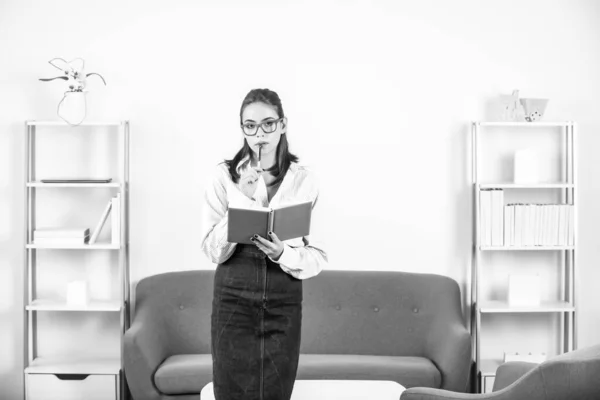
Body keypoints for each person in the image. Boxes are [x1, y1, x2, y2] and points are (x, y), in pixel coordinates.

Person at [200, 88, 328, 400]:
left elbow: (319, 256)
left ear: (283, 124)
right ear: (242, 128)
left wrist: (284, 252)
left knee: (276, 392)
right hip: (233, 298)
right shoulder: (224, 176)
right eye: (250, 125)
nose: (260, 133)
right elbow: (211, 250)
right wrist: (243, 198)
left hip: (283, 301)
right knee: (230, 391)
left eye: (269, 123)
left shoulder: (304, 180)